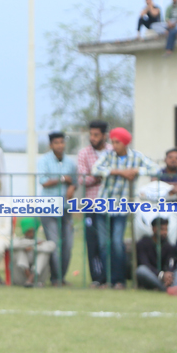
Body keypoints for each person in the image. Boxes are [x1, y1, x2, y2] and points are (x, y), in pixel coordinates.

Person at [92, 127, 160, 289]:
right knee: (103, 244)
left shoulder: (136, 157)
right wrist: (118, 172)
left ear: (125, 143)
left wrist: (136, 170)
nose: (114, 145)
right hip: (103, 205)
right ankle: (106, 279)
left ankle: (119, 280)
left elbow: (155, 168)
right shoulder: (107, 155)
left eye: (118, 142)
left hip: (121, 208)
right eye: (113, 142)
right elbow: (95, 170)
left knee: (117, 243)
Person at [37, 131, 76, 285]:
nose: (60, 145)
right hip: (49, 207)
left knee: (68, 245)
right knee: (54, 244)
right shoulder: (44, 161)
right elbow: (43, 181)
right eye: (56, 143)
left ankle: (61, 277)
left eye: (62, 142)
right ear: (51, 145)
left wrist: (72, 187)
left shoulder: (70, 162)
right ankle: (55, 278)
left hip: (65, 207)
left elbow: (75, 180)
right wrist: (62, 179)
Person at [76, 120, 111, 285]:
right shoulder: (84, 153)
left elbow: (115, 175)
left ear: (104, 136)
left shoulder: (112, 151)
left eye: (96, 135)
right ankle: (98, 278)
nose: (93, 138)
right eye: (91, 134)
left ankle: (112, 276)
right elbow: (82, 179)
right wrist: (100, 177)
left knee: (109, 242)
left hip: (111, 204)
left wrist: (98, 175)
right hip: (91, 204)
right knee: (93, 242)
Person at [135, 218, 177, 293]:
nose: (164, 232)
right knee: (141, 270)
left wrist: (168, 275)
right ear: (153, 229)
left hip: (166, 277)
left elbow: (171, 264)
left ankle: (170, 288)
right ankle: (166, 289)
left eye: (166, 229)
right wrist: (161, 275)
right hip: (154, 275)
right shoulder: (143, 243)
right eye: (162, 229)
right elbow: (145, 263)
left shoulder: (168, 246)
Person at [12, 216, 55, 288]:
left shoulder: (41, 241)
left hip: (39, 279)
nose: (31, 234)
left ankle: (31, 279)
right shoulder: (19, 241)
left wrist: (33, 248)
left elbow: (52, 245)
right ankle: (29, 278)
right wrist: (33, 243)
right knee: (19, 251)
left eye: (33, 231)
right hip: (21, 279)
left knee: (44, 253)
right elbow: (12, 245)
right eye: (29, 231)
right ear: (24, 231)